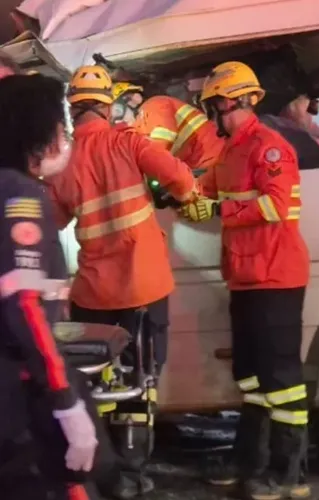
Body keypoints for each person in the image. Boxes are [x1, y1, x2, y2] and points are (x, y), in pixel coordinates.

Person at [43, 64, 200, 498]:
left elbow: (52, 221)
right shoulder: (129, 142)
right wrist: (187, 198)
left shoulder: (63, 166)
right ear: (109, 106)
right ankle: (133, 465)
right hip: (144, 286)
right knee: (142, 374)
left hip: (95, 292)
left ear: (73, 112)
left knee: (97, 380)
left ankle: (102, 465)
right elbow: (182, 179)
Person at [178, 60, 311, 500]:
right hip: (245, 278)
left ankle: (290, 474)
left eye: (215, 105)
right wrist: (181, 194)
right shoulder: (232, 151)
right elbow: (205, 190)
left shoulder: (269, 148)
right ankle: (249, 463)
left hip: (275, 277)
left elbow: (278, 208)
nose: (215, 113)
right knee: (252, 378)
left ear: (230, 101)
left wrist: (216, 211)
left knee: (282, 380)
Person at [0, 72, 101, 500]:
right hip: (22, 393)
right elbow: (24, 303)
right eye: (61, 126)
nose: (65, 137)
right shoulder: (21, 195)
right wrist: (65, 400)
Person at [110, 80, 225, 177]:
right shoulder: (139, 125)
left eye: (117, 110)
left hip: (212, 158)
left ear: (133, 99)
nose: (116, 119)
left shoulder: (154, 105)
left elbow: (161, 141)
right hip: (199, 164)